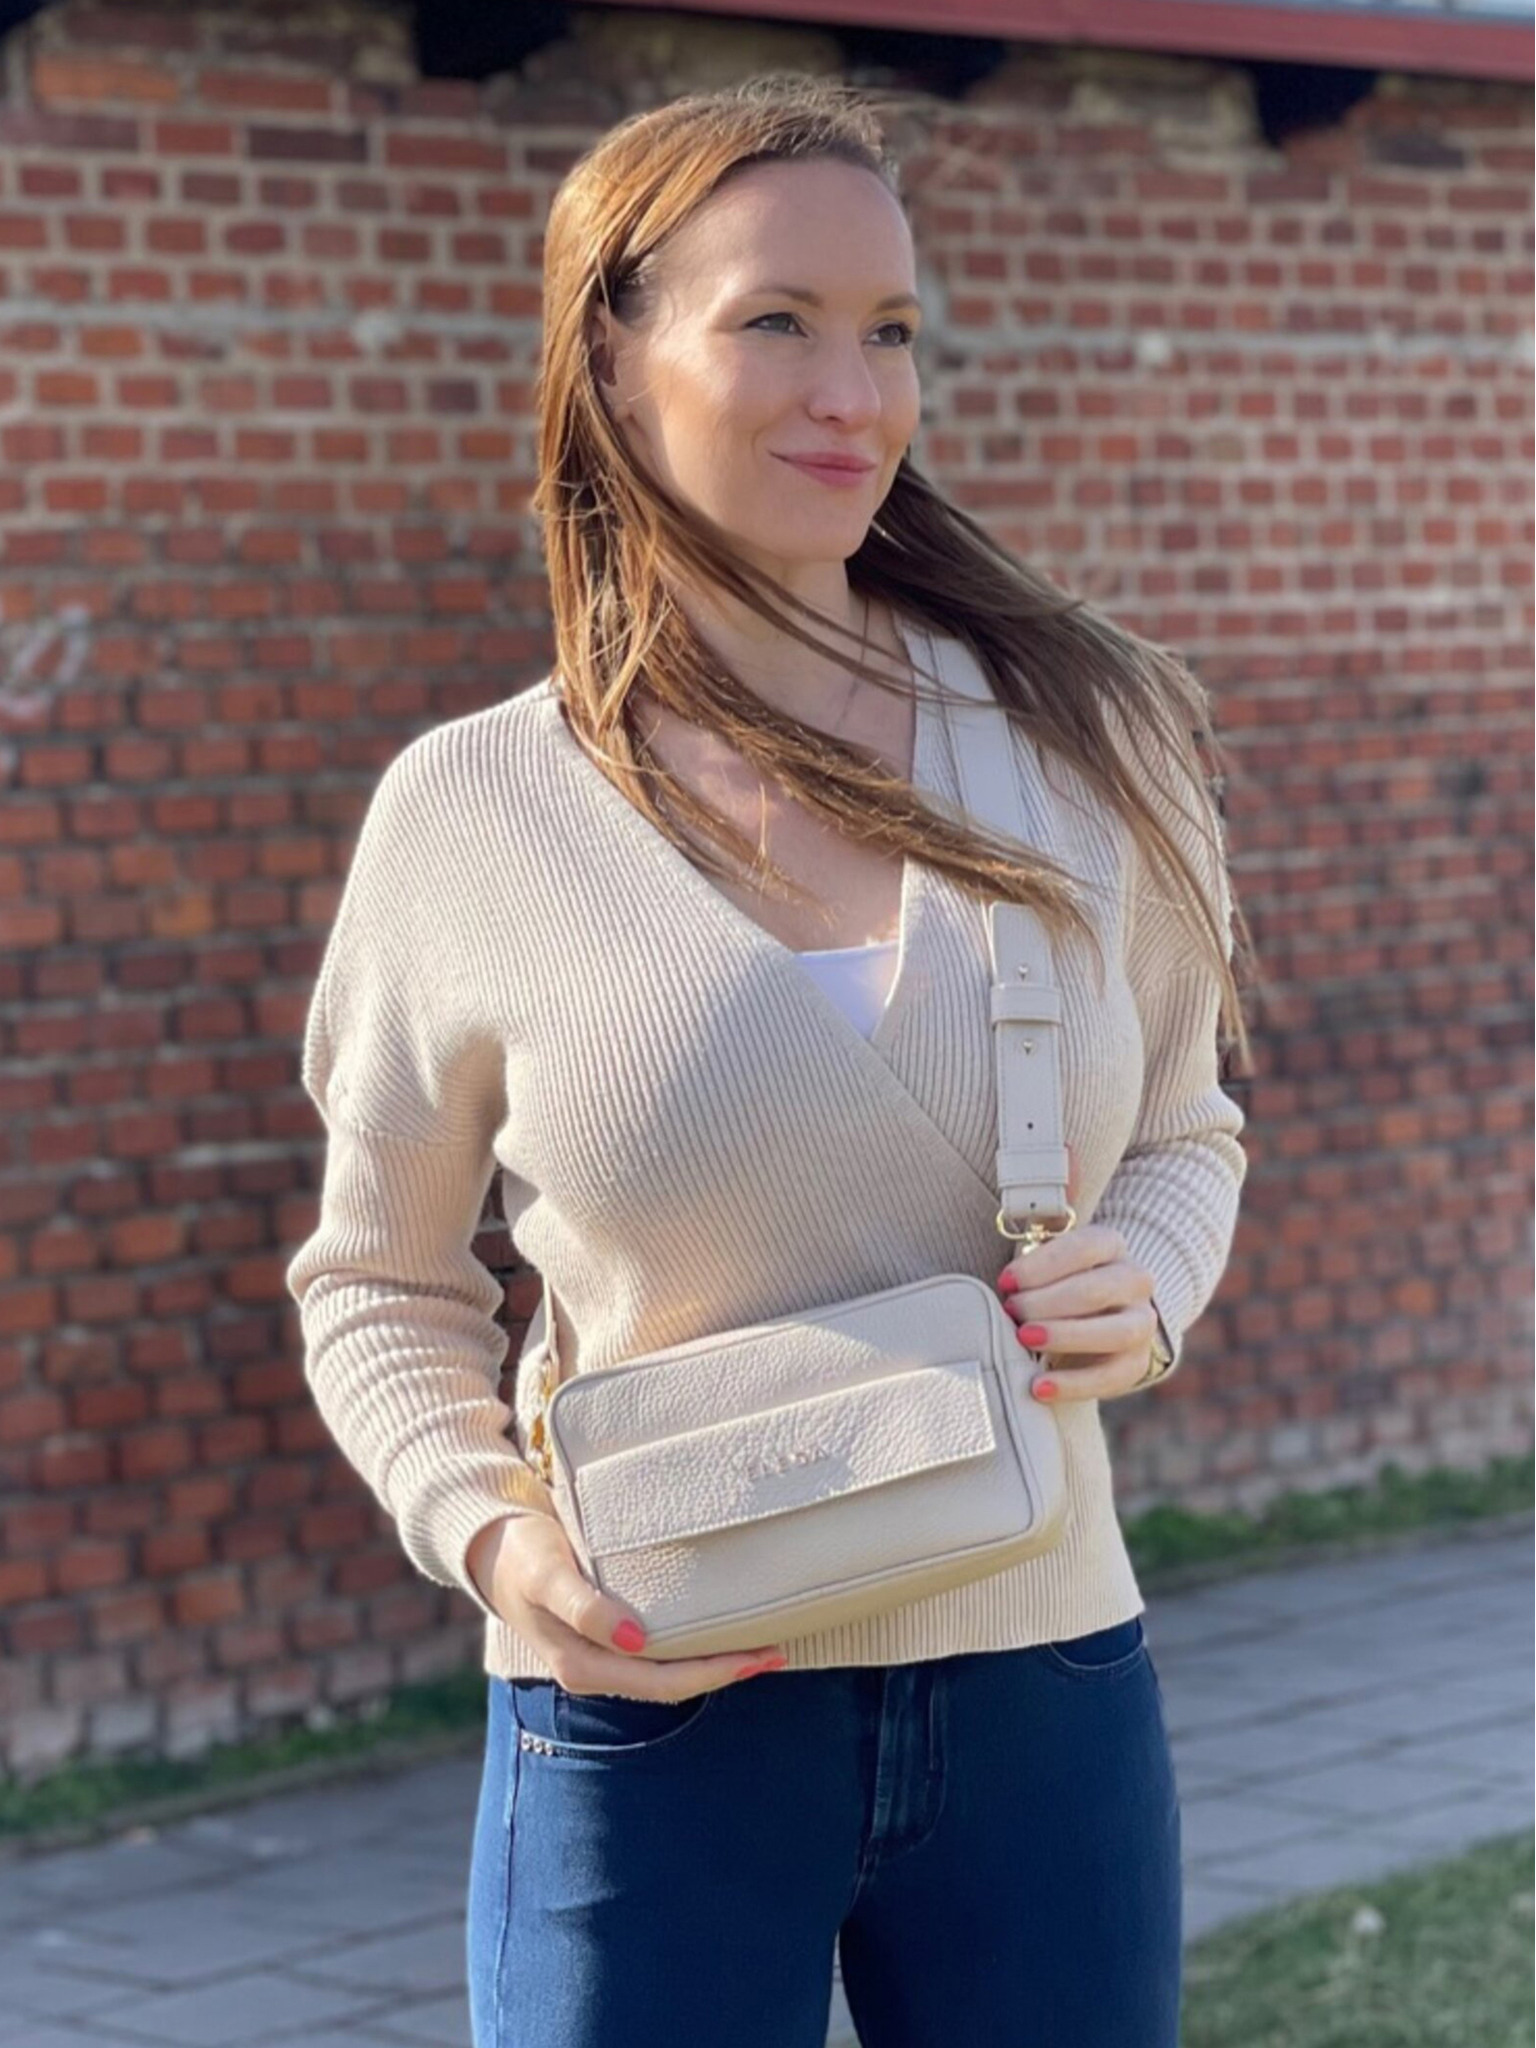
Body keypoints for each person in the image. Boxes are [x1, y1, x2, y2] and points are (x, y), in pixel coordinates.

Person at [285, 74, 1251, 2048]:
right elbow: (378, 1280)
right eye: (777, 322)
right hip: (648, 1712)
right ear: (612, 360)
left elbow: (1184, 1129)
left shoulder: (1093, 737)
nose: (852, 394)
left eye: (890, 330)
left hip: (1045, 1684)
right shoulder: (470, 813)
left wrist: (1148, 1279)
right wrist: (498, 1540)